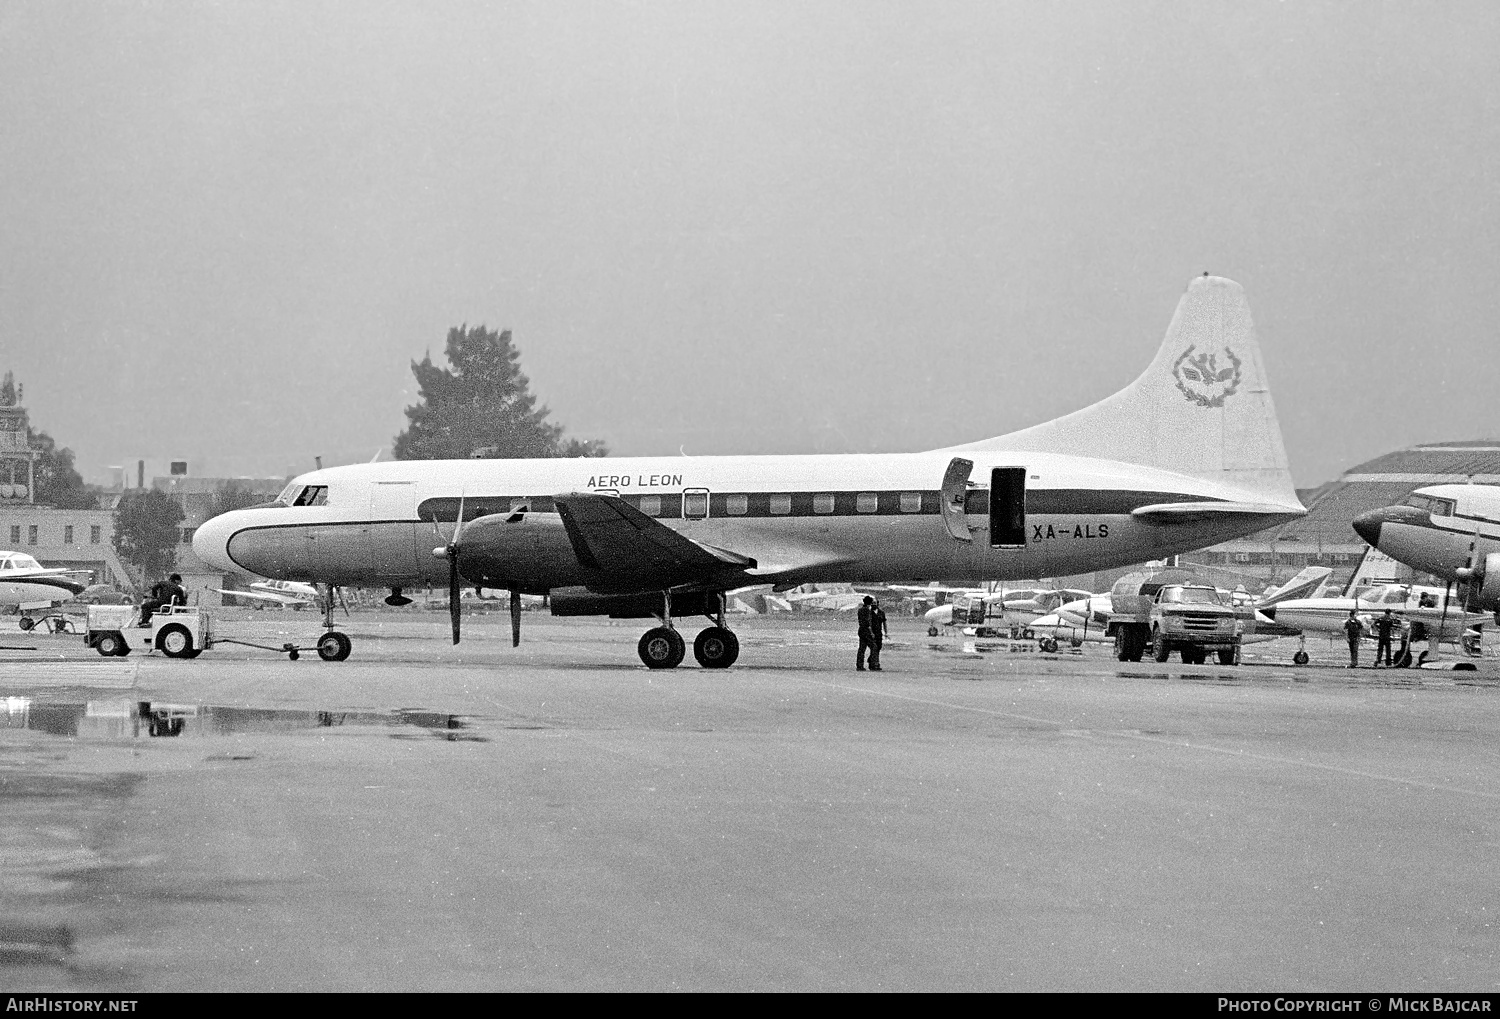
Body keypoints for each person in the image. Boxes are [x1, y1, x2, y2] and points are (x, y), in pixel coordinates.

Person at [857, 595, 880, 671]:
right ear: (870, 603)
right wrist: (871, 633)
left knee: (861, 649)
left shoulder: (860, 610)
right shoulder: (868, 611)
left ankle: (859, 665)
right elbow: (868, 622)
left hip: (861, 630)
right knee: (874, 648)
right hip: (867, 631)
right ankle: (872, 664)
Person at [870, 599, 888, 671]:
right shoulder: (869, 613)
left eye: (874, 603)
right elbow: (869, 624)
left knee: (879, 647)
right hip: (872, 633)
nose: (873, 605)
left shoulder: (881, 613)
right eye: (872, 603)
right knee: (874, 648)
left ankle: (871, 661)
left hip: (879, 633)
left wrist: (886, 632)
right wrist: (871, 633)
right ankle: (875, 664)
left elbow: (884, 623)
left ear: (877, 604)